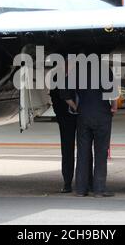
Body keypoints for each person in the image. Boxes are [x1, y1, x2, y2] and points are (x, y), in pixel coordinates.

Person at [66, 59, 118, 198]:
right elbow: (112, 92)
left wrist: (76, 107)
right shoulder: (105, 69)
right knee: (101, 153)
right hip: (102, 115)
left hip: (83, 116)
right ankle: (99, 190)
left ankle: (81, 190)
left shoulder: (77, 71)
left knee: (83, 153)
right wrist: (114, 106)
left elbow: (64, 93)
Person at [49, 63, 77, 193]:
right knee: (67, 151)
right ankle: (67, 182)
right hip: (66, 118)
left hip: (81, 117)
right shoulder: (56, 77)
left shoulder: (80, 75)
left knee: (85, 150)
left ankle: (87, 181)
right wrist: (60, 116)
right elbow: (54, 97)